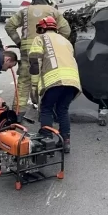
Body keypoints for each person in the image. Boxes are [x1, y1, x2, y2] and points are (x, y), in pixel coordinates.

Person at [4, 0, 71, 117]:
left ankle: (17, 114)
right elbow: (66, 31)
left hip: (27, 52)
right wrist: (56, 44)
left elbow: (9, 26)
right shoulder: (53, 11)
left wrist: (19, 42)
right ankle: (44, 115)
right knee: (45, 81)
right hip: (46, 52)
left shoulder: (24, 11)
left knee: (24, 82)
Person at [29, 17, 81, 154]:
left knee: (46, 109)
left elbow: (35, 64)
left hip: (54, 81)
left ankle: (47, 143)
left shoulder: (40, 39)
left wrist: (34, 87)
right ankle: (65, 142)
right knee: (62, 110)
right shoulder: (66, 41)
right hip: (72, 82)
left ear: (41, 29)